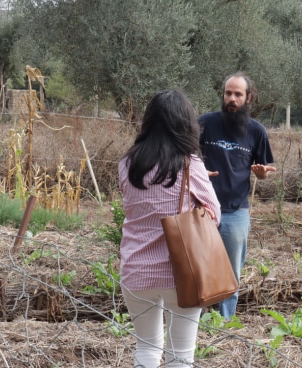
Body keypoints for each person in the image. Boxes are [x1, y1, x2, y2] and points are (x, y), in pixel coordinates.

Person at [119, 89, 221, 368]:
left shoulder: (126, 165)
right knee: (180, 357)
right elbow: (214, 216)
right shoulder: (190, 164)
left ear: (149, 121)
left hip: (136, 271)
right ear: (186, 124)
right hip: (181, 274)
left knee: (146, 352)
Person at [198, 72, 276, 320]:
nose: (231, 98)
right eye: (228, 93)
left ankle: (224, 322)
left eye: (237, 94)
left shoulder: (256, 132)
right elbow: (186, 157)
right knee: (198, 268)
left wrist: (261, 174)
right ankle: (194, 320)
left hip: (235, 212)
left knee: (231, 272)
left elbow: (264, 172)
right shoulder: (204, 124)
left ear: (248, 97)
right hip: (201, 210)